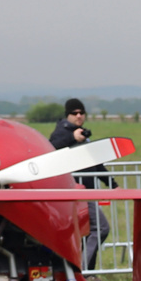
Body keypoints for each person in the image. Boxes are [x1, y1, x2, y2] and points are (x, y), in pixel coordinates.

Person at [48, 98, 113, 270]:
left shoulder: (83, 134)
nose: (78, 116)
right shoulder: (62, 132)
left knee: (87, 232)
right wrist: (71, 137)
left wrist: (112, 184)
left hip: (85, 192)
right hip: (74, 193)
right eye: (74, 113)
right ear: (67, 115)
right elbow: (50, 149)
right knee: (100, 228)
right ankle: (82, 270)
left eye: (81, 113)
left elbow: (96, 163)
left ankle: (85, 271)